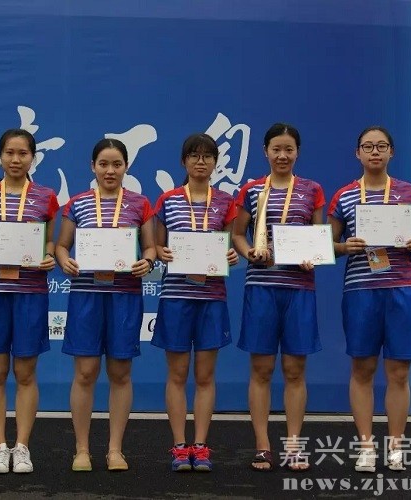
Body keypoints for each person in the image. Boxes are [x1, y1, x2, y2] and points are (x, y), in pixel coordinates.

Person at [328, 126, 411, 473]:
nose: (375, 152)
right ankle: (367, 447)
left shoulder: (407, 192)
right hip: (361, 291)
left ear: (391, 152)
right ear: (357, 153)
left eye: (381, 146)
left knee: (399, 372)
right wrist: (345, 247)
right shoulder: (344, 196)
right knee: (363, 368)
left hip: (402, 288)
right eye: (368, 146)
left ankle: (396, 446)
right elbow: (327, 246)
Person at [55, 138, 156, 472]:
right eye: (103, 164)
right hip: (86, 295)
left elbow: (151, 248)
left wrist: (147, 262)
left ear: (126, 167)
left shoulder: (140, 204)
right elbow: (62, 245)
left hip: (125, 295)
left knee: (120, 372)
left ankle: (115, 450)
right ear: (93, 167)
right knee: (85, 372)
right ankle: (81, 449)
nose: (110, 170)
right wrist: (65, 260)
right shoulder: (78, 204)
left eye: (116, 164)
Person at [232, 123, 325, 471]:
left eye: (289, 149)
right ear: (266, 152)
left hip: (299, 288)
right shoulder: (252, 189)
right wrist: (249, 253)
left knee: (295, 370)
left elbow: (319, 237)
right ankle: (262, 445)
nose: (282, 155)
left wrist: (312, 256)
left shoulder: (312, 190)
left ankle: (294, 445)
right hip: (261, 286)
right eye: (276, 149)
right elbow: (237, 235)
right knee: (261, 369)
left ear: (297, 152)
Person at [0, 129, 59, 474]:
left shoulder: (46, 197)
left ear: (33, 157)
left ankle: (22, 447)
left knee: (25, 372)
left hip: (31, 293)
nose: (16, 159)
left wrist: (49, 256)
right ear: (0, 156)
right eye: (9, 153)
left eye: (23, 153)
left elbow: (50, 243)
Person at [151, 133, 238, 472]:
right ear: (184, 161)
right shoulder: (168, 200)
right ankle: (178, 445)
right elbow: (157, 247)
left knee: (205, 375)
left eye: (207, 156)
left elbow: (232, 244)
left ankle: (200, 446)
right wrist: (161, 252)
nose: (201, 162)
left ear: (215, 162)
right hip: (176, 297)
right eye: (194, 155)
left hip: (211, 298)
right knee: (177, 374)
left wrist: (231, 255)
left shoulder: (226, 202)